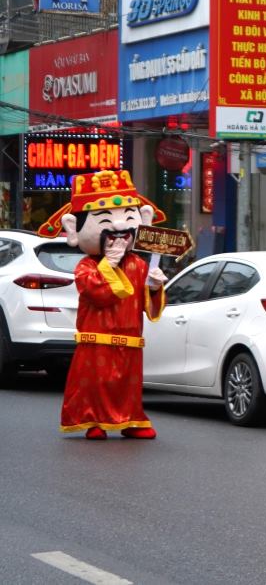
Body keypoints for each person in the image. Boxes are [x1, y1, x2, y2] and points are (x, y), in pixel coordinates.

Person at [38, 170, 168, 440]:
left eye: (127, 219)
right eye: (107, 222)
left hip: (130, 340)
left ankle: (131, 419)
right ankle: (92, 419)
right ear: (76, 230)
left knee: (127, 386)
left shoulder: (139, 264)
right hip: (97, 341)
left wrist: (154, 288)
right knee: (95, 385)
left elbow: (147, 306)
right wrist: (108, 263)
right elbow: (98, 293)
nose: (120, 230)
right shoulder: (86, 266)